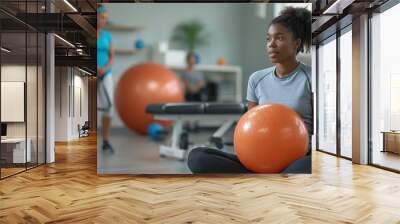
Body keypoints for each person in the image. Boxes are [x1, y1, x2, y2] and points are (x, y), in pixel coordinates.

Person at [187, 7, 313, 174]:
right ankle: (269, 178)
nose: (271, 44)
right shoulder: (256, 79)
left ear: (296, 43)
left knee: (308, 165)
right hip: (260, 156)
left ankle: (265, 179)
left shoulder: (311, 77)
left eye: (279, 38)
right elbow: (251, 125)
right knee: (197, 157)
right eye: (268, 39)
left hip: (297, 156)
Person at [97, 5, 115, 151]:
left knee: (108, 108)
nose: (104, 21)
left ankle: (106, 140)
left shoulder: (107, 35)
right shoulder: (89, 34)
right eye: (102, 17)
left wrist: (104, 69)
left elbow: (111, 57)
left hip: (106, 73)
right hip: (92, 73)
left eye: (105, 19)